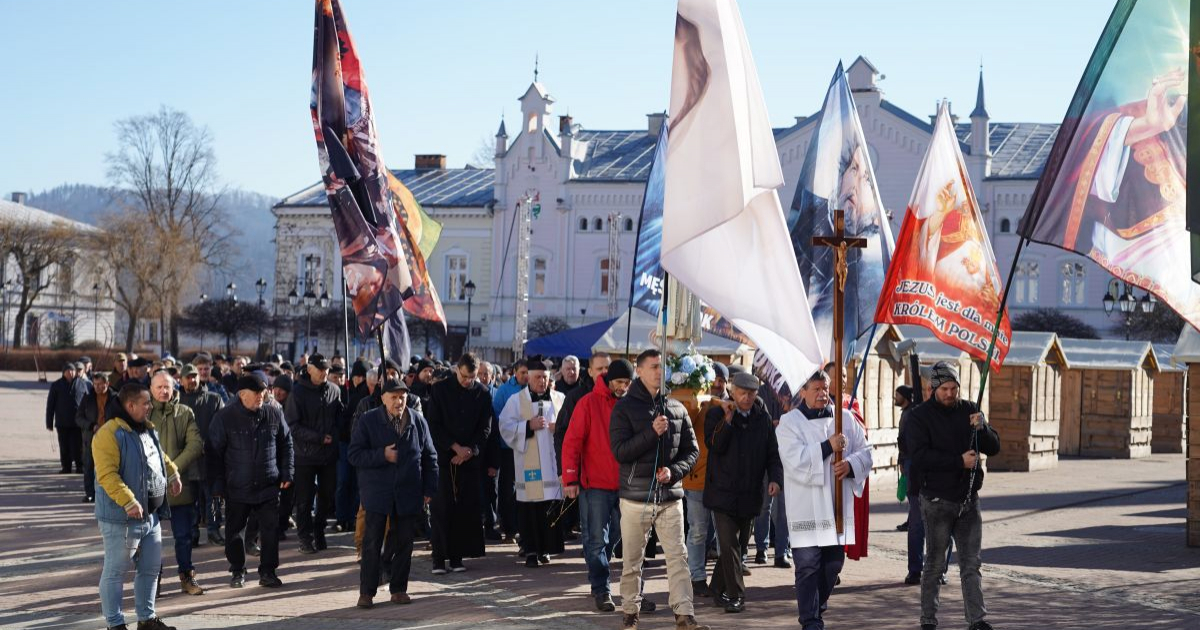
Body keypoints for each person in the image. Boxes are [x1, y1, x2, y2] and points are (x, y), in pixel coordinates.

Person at [609, 349, 708, 630]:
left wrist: (673, 472)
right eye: (652, 367)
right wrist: (651, 433)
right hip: (635, 498)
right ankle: (630, 613)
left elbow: (692, 452)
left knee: (678, 558)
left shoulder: (676, 408)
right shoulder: (624, 408)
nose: (658, 372)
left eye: (661, 367)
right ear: (639, 371)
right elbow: (620, 451)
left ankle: (685, 616)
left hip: (669, 498)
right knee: (632, 561)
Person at [777, 370, 872, 630]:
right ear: (803, 391)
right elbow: (794, 461)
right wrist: (828, 446)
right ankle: (810, 620)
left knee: (832, 565)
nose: (821, 394)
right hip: (806, 506)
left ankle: (816, 606)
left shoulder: (846, 419)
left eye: (825, 388)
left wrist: (851, 466)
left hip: (835, 505)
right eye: (816, 389)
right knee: (807, 565)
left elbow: (866, 451)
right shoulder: (789, 423)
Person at [909, 362, 1001, 630]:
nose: (950, 393)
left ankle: (977, 620)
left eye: (954, 388)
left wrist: (982, 428)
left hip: (969, 500)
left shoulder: (970, 409)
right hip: (937, 501)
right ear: (933, 388)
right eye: (945, 388)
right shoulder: (919, 417)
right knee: (935, 566)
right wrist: (957, 461)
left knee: (971, 564)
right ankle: (928, 620)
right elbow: (920, 457)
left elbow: (994, 447)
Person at [92, 383, 183, 630]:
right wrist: (128, 501)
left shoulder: (146, 429)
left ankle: (146, 620)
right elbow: (107, 475)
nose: (150, 406)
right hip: (121, 519)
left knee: (151, 569)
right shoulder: (108, 434)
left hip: (150, 517)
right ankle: (115, 624)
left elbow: (159, 457)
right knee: (116, 571)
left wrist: (173, 474)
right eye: (145, 403)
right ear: (130, 406)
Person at [350, 378, 438, 608]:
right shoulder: (369, 420)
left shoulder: (417, 421)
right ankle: (367, 592)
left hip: (409, 491)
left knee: (404, 543)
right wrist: (382, 455)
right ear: (383, 398)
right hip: (378, 492)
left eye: (403, 397)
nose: (399, 401)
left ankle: (399, 589)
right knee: (372, 543)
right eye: (394, 397)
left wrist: (429, 488)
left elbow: (430, 456)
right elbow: (354, 454)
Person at [703, 371, 783, 613]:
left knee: (736, 545)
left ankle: (717, 588)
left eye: (752, 393)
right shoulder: (716, 412)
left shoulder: (762, 417)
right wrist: (727, 421)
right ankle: (737, 595)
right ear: (732, 390)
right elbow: (714, 445)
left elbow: (773, 454)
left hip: (750, 493)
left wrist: (776, 480)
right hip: (722, 493)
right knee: (728, 545)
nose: (747, 397)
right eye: (742, 392)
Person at [561, 358, 634, 612]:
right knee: (595, 540)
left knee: (616, 535)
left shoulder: (633, 404)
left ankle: (600, 569)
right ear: (608, 380)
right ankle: (601, 589)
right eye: (619, 382)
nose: (623, 387)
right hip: (595, 485)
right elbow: (572, 442)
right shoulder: (588, 403)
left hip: (625, 485)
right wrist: (570, 478)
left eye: (627, 382)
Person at [208, 373, 293, 588]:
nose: (261, 397)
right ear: (242, 394)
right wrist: (217, 485)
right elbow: (213, 454)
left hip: (268, 484)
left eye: (264, 392)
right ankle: (237, 570)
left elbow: (286, 444)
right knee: (234, 532)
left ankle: (268, 571)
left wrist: (287, 472)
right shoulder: (224, 418)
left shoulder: (273, 414)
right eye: (257, 393)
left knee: (270, 530)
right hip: (237, 486)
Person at [425, 353, 492, 574]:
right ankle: (438, 559)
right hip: (444, 460)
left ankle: (457, 557)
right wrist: (454, 447)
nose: (468, 381)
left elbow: (485, 428)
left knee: (464, 510)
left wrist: (469, 451)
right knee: (441, 509)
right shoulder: (440, 390)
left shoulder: (482, 393)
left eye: (472, 377)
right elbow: (433, 425)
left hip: (469, 461)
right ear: (457, 370)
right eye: (465, 376)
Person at [498, 356, 565, 568]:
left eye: (545, 378)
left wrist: (559, 427)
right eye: (537, 377)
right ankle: (530, 551)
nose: (541, 382)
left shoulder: (559, 398)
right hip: (530, 465)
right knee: (530, 510)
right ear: (528, 378)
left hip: (552, 466)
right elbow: (505, 427)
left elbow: (571, 424)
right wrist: (528, 425)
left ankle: (546, 550)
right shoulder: (516, 400)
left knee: (549, 508)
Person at [148, 371, 207, 596]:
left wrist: (171, 470)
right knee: (152, 540)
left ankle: (187, 578)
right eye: (159, 387)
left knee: (183, 537)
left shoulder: (185, 412)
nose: (164, 391)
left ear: (174, 388)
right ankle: (154, 581)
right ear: (151, 389)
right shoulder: (144, 413)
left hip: (178, 485)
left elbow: (195, 445)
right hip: (150, 487)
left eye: (167, 387)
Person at [284, 353, 343, 554]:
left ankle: (319, 531)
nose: (324, 373)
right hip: (305, 455)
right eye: (320, 370)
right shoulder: (297, 393)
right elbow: (292, 425)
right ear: (310, 370)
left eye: (327, 370)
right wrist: (318, 437)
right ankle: (305, 538)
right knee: (304, 500)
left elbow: (338, 419)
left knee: (326, 497)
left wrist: (333, 435)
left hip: (328, 455)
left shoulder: (335, 390)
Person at [683, 362, 727, 598]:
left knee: (724, 534)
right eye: (715, 379)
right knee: (698, 530)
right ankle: (697, 577)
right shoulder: (697, 402)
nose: (718, 383)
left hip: (725, 481)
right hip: (697, 478)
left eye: (722, 380)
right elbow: (684, 425)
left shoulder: (733, 404)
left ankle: (724, 578)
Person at [179, 363, 225, 547]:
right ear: (181, 380)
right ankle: (192, 533)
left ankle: (214, 531)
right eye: (188, 377)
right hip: (186, 458)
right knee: (190, 499)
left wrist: (210, 444)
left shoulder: (214, 399)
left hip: (210, 457)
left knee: (213, 497)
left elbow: (221, 426)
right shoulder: (177, 401)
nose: (192, 380)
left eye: (194, 376)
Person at [491, 359, 529, 543]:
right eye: (522, 372)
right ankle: (509, 528)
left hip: (528, 448)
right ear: (515, 372)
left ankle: (523, 526)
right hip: (508, 448)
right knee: (507, 489)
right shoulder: (504, 391)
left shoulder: (532, 390)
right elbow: (498, 418)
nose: (526, 376)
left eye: (528, 372)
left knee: (525, 489)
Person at [338, 360, 371, 533]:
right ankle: (342, 516)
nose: (359, 379)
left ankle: (352, 516)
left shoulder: (364, 396)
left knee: (357, 484)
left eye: (362, 376)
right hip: (345, 442)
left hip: (357, 444)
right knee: (344, 481)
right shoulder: (347, 392)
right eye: (356, 376)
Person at [78, 371, 119, 503]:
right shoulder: (88, 397)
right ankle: (90, 493)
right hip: (91, 436)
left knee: (108, 466)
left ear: (107, 383)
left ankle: (109, 494)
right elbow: (78, 418)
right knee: (89, 465)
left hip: (110, 437)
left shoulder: (115, 398)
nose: (97, 387)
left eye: (101, 384)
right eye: (95, 384)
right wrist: (91, 426)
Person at [47, 363, 87, 474]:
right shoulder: (56, 385)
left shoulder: (82, 384)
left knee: (78, 446)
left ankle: (80, 466)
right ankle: (66, 467)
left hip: (77, 422)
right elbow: (51, 405)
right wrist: (49, 422)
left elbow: (88, 402)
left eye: (73, 370)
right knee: (64, 446)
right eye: (68, 371)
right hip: (62, 422)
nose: (71, 373)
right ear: (63, 372)